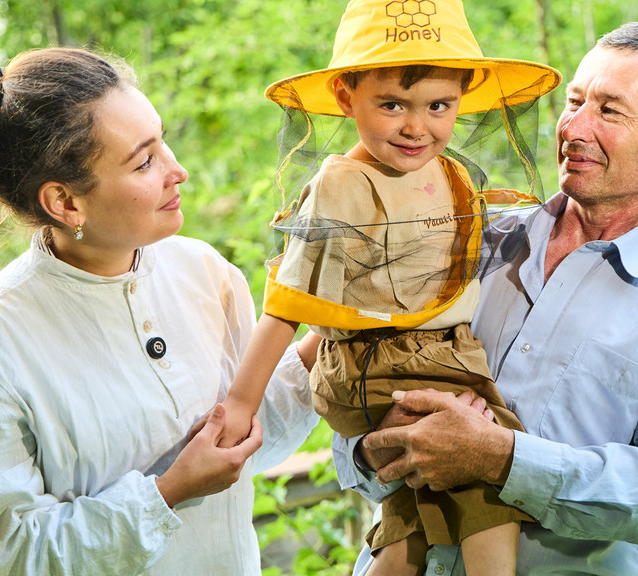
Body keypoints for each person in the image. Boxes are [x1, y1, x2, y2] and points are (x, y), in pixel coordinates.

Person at [335, 21, 638, 576]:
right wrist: (371, 446)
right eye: (574, 102)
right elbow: (353, 367)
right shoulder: (464, 238)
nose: (574, 128)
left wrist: (502, 458)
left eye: (610, 111)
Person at [0, 47, 320, 576]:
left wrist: (337, 330)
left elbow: (244, 437)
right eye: (144, 161)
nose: (178, 170)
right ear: (66, 203)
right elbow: (5, 556)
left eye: (163, 141)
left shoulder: (206, 273)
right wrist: (168, 492)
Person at [218, 1, 560, 574]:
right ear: (346, 96)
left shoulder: (448, 171)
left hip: (442, 353)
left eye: (438, 106)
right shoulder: (343, 185)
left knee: (417, 513)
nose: (416, 126)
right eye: (393, 104)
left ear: (463, 98)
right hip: (380, 360)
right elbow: (288, 305)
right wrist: (240, 405)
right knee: (490, 479)